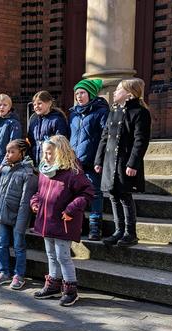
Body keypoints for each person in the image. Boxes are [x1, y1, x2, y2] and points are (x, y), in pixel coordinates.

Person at [30, 135, 93, 306]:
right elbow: (40, 193)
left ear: (61, 153)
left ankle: (71, 289)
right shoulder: (45, 171)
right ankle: (53, 285)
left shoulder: (73, 173)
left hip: (63, 221)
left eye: (50, 153)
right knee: (51, 254)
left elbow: (87, 193)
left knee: (63, 256)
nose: (46, 157)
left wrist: (71, 209)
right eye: (45, 153)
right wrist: (35, 202)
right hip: (46, 220)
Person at [94, 78, 151, 247]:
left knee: (125, 196)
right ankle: (118, 230)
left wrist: (133, 164)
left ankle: (130, 232)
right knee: (113, 195)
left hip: (125, 162)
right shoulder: (114, 111)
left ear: (129, 93)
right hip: (111, 161)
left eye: (119, 89)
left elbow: (140, 140)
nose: (115, 92)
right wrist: (99, 160)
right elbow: (104, 137)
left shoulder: (140, 112)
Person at [0, 139, 38, 289]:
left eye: (12, 152)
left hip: (18, 217)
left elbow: (25, 202)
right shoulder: (3, 170)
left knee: (18, 246)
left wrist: (22, 222)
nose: (8, 155)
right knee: (2, 244)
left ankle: (19, 275)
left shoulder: (28, 173)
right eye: (7, 151)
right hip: (3, 214)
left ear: (22, 153)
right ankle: (4, 272)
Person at [69, 79, 109, 241]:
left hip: (92, 160)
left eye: (82, 93)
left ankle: (95, 227)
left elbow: (105, 137)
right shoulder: (73, 113)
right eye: (77, 93)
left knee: (95, 193)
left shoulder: (101, 112)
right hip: (75, 161)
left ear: (90, 94)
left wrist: (99, 160)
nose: (79, 96)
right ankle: (79, 225)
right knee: (76, 194)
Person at [27, 91, 70, 166]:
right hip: (36, 160)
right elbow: (31, 140)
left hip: (52, 161)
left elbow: (60, 143)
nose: (36, 106)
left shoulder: (57, 120)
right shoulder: (33, 120)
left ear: (49, 103)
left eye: (39, 103)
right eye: (34, 105)